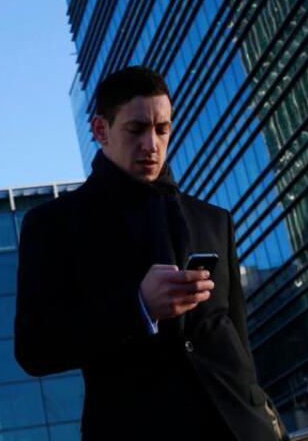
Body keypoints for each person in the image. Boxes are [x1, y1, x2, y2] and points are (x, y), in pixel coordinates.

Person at [14, 66, 286, 440]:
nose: (152, 144)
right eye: (136, 129)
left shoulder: (213, 219)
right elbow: (34, 348)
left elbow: (237, 336)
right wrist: (139, 307)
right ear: (100, 130)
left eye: (162, 129)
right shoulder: (53, 225)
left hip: (241, 426)